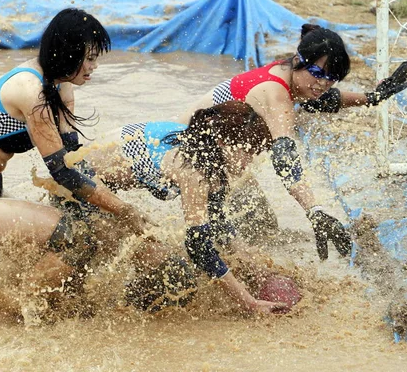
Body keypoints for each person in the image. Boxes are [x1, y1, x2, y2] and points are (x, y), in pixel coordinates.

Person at [0, 8, 152, 323]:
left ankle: (7, 309)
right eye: (89, 58)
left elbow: (75, 159)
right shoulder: (31, 90)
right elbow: (63, 173)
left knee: (75, 237)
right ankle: (26, 319)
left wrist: (112, 196)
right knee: (72, 237)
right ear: (67, 53)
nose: (94, 67)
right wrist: (124, 210)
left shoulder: (62, 86)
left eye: (96, 58)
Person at [178, 23, 407, 261]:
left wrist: (374, 97)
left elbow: (325, 100)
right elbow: (285, 160)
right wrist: (315, 211)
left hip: (212, 162)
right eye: (318, 74)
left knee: (263, 229)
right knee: (236, 253)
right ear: (298, 59)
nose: (322, 83)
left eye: (332, 78)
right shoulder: (276, 94)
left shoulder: (291, 76)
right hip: (187, 159)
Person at [76, 101, 291, 314]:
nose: (249, 163)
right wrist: (249, 303)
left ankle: (119, 301)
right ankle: (120, 312)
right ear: (223, 142)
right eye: (248, 153)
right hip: (79, 186)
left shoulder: (207, 149)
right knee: (176, 276)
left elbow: (218, 225)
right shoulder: (194, 169)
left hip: (101, 189)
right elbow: (199, 248)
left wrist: (256, 267)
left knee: (163, 261)